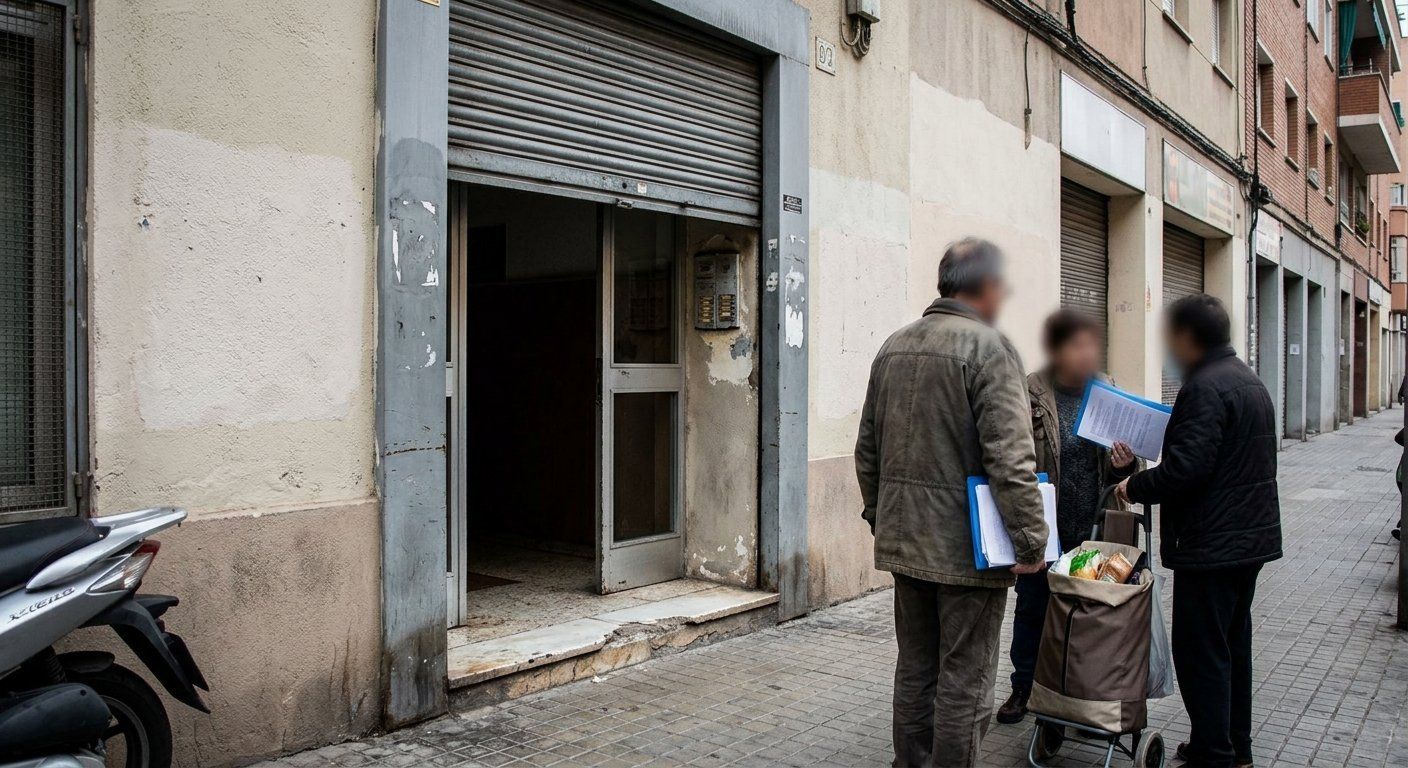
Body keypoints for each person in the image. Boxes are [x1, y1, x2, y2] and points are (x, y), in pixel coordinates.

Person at [855, 238, 1049, 767]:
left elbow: (866, 449)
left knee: (916, 666)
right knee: (965, 675)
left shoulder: (893, 346)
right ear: (985, 287)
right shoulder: (991, 349)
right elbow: (1011, 460)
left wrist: (881, 516)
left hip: (905, 542)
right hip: (970, 551)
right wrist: (1032, 541)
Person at [1115, 294, 1282, 768]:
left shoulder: (1204, 388)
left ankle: (1213, 754)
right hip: (1246, 543)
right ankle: (1233, 748)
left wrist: (1135, 484)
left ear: (1188, 338)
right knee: (1231, 649)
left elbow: (1187, 469)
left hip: (1211, 547)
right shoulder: (1247, 380)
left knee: (1202, 655)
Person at [996, 310, 1138, 725]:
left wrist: (1123, 465)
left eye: (1092, 346)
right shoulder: (1031, 392)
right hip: (1045, 527)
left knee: (1087, 616)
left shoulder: (1108, 391)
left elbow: (1128, 471)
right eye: (1077, 345)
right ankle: (1024, 686)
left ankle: (1074, 693)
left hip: (1092, 527)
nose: (1086, 354)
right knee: (1033, 609)